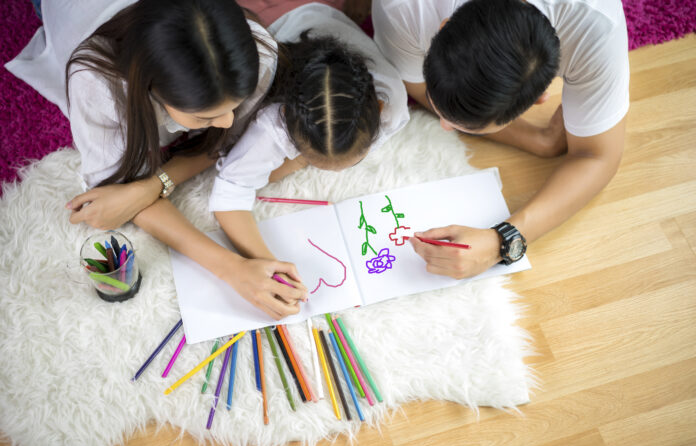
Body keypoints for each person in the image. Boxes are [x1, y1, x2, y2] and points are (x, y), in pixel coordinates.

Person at [47, 0, 306, 318]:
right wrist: (231, 269)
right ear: (151, 89)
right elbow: (116, 191)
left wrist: (152, 185)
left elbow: (223, 146)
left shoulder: (257, 49)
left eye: (233, 107)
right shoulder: (98, 85)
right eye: (205, 116)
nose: (228, 122)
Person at [372, 0, 629, 279]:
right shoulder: (401, 7)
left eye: (470, 127)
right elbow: (416, 86)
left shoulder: (595, 26)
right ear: (441, 29)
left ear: (541, 96)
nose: (444, 126)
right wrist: (538, 140)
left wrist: (502, 241)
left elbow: (599, 157)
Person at [210, 3, 409, 275]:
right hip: (276, 19)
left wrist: (299, 162)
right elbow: (230, 190)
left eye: (351, 162)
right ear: (285, 122)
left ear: (380, 110)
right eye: (312, 160)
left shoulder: (392, 99)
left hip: (324, 18)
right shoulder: (273, 121)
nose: (334, 173)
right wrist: (269, 263)